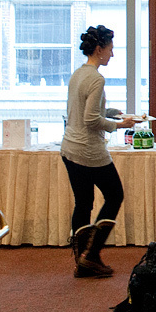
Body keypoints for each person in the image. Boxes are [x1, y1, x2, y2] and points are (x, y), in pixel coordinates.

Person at [61, 25, 136, 277]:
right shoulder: (96, 78)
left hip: (69, 148)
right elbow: (91, 120)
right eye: (111, 49)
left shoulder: (78, 74)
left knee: (83, 203)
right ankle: (91, 255)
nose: (112, 55)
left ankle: (81, 261)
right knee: (115, 195)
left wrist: (114, 113)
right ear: (99, 48)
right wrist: (119, 125)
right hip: (88, 150)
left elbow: (85, 111)